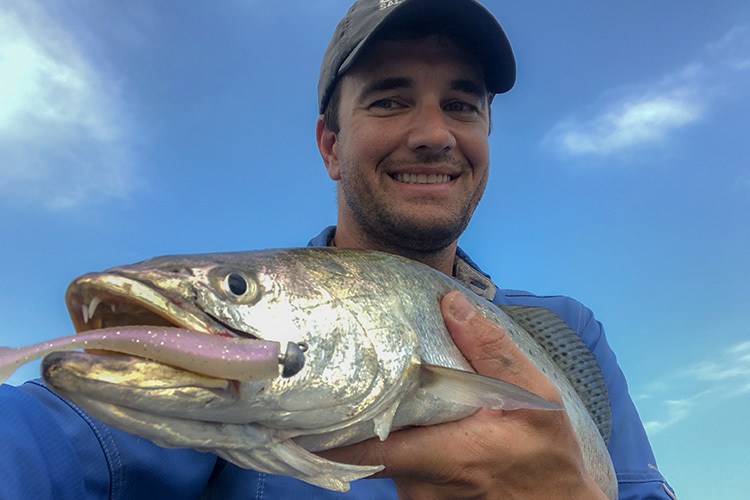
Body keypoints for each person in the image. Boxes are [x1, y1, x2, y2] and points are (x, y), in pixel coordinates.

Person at [0, 1, 675, 498]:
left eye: (463, 105)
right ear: (330, 144)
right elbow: (42, 444)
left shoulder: (568, 329)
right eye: (389, 101)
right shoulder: (219, 388)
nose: (434, 133)